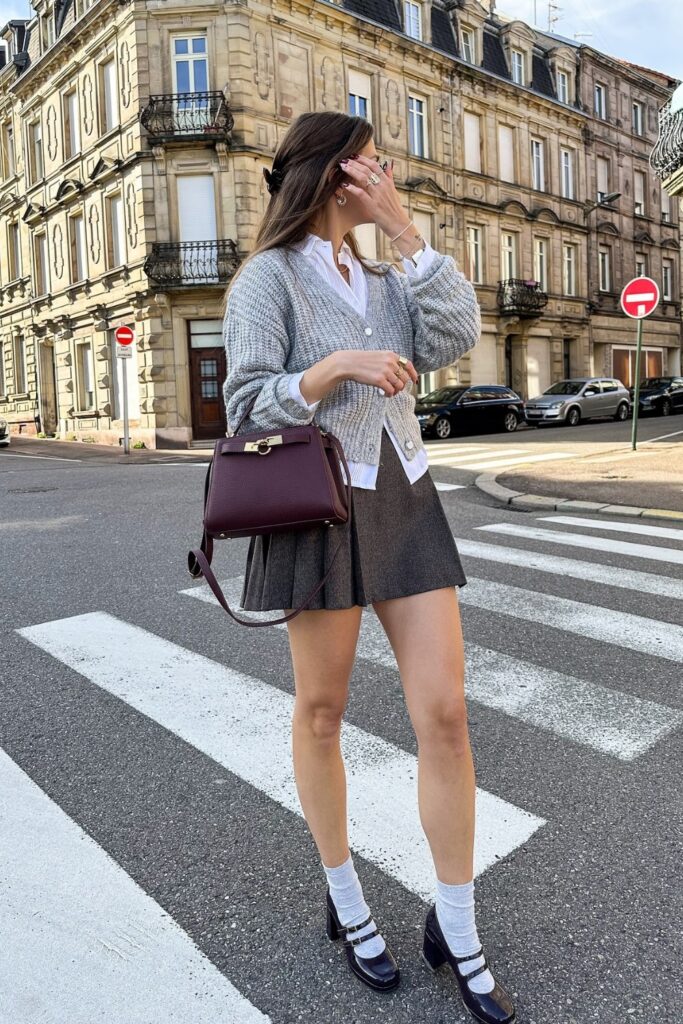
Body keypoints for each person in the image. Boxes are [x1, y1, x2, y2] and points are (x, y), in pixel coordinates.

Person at [221, 111, 515, 1024]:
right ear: (327, 173)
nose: (383, 169)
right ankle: (345, 898)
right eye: (368, 161)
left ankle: (456, 927)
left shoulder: (386, 272)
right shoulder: (263, 281)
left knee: (447, 715)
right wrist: (330, 370)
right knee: (321, 711)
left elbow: (451, 336)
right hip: (316, 503)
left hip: (405, 497)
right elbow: (242, 402)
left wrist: (405, 232)